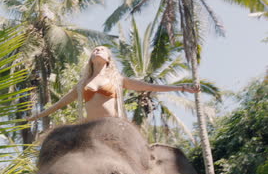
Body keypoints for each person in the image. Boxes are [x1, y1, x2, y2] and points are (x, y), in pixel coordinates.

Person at [27, 46, 199, 122]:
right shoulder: (81, 85)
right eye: (95, 50)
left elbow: (150, 86)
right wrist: (35, 117)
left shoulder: (118, 80)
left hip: (114, 126)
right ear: (91, 59)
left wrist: (182, 88)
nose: (97, 50)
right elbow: (59, 104)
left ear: (108, 59)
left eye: (102, 49)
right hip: (90, 128)